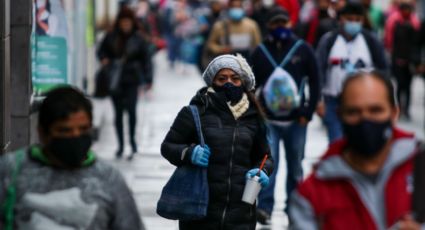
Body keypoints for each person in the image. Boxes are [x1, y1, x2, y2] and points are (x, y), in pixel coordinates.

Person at [289, 71, 423, 229]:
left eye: (375, 110)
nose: (365, 120)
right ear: (340, 116)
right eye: (354, 112)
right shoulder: (312, 194)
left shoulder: (420, 168)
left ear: (394, 113)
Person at [0, 86, 144, 229]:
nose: (75, 136)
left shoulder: (109, 179)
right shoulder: (11, 171)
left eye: (83, 129)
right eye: (65, 130)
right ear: (43, 133)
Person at [161, 54, 273, 230]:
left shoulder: (253, 116)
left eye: (235, 78)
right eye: (222, 78)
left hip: (241, 214)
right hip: (200, 211)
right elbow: (168, 146)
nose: (229, 83)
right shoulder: (195, 112)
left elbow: (265, 156)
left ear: (243, 82)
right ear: (212, 81)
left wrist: (262, 171)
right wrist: (190, 153)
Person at [249, 7, 320, 224]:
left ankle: (294, 208)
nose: (280, 28)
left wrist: (308, 112)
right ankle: (264, 207)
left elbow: (316, 81)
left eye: (284, 23)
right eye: (275, 24)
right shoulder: (260, 52)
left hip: (296, 121)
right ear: (268, 26)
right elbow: (251, 85)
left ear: (290, 24)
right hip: (269, 120)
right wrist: (255, 113)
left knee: (296, 166)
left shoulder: (303, 49)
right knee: (270, 165)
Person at [316, 2, 388, 144]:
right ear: (341, 19)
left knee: (360, 143)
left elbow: (383, 70)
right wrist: (319, 100)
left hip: (364, 103)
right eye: (350, 19)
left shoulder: (370, 41)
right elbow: (319, 70)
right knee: (336, 143)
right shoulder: (329, 41)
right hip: (334, 101)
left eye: (357, 20)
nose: (353, 23)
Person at [97, 7, 150, 159]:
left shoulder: (138, 38)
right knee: (118, 113)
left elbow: (146, 59)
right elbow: (101, 51)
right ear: (119, 22)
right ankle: (120, 145)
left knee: (132, 112)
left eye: (128, 22)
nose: (125, 25)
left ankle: (132, 143)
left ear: (132, 23)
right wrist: (104, 59)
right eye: (123, 22)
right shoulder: (111, 36)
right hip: (115, 80)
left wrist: (148, 79)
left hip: (132, 79)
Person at [384, 0, 420, 120]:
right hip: (397, 58)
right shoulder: (393, 20)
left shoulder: (415, 22)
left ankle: (407, 109)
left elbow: (417, 42)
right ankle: (399, 107)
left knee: (408, 86)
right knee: (399, 85)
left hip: (410, 60)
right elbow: (389, 39)